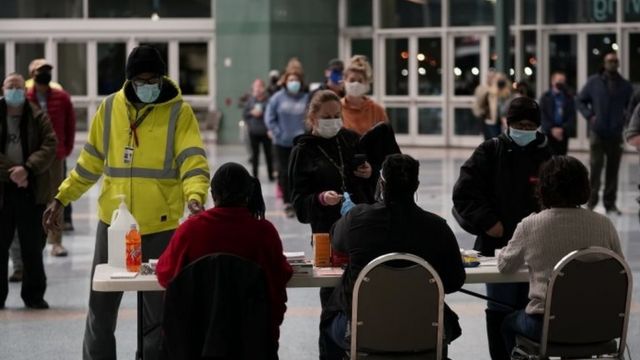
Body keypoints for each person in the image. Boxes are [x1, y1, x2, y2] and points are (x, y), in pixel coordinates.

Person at [42, 45, 210, 360]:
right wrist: (62, 197)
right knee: (100, 309)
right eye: (141, 80)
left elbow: (193, 161)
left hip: (162, 227)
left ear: (162, 78)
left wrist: (195, 195)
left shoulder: (178, 112)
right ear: (129, 80)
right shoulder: (108, 110)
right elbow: (88, 165)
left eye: (153, 79)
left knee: (158, 314)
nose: (148, 86)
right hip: (115, 228)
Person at [322, 154, 466, 359]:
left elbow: (336, 242)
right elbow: (454, 280)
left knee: (330, 316)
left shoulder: (357, 219)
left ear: (381, 183)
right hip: (423, 328)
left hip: (363, 329)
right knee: (440, 324)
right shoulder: (437, 228)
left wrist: (349, 216)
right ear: (416, 185)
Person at [452, 97, 552, 360]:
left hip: (538, 249)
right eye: (519, 123)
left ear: (538, 127)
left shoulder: (547, 155)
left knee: (534, 308)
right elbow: (464, 194)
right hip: (498, 248)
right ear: (509, 124)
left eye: (531, 124)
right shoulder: (489, 151)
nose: (525, 129)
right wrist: (488, 222)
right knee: (501, 307)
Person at [156, 162, 292, 350]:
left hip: (195, 344)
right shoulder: (264, 233)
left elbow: (165, 275)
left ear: (213, 195)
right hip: (253, 343)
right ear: (249, 194)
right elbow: (281, 276)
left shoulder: (190, 230)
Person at [498, 155, 623, 354]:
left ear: (543, 188)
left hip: (548, 325)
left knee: (506, 323)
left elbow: (505, 267)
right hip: (599, 324)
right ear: (584, 186)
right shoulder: (604, 224)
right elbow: (619, 272)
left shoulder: (531, 225)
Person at [288, 90, 373, 359]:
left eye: (337, 116)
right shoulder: (302, 150)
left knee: (365, 301)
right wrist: (321, 199)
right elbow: (300, 206)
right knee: (334, 302)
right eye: (326, 117)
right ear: (312, 117)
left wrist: (368, 174)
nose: (333, 121)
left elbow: (374, 190)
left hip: (362, 232)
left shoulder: (351, 141)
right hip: (327, 236)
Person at [1, 73, 57, 309]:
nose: (15, 90)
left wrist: (27, 169)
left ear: (25, 90)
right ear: (3, 89)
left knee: (32, 247)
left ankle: (34, 296)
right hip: (2, 190)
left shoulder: (37, 115)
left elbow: (50, 144)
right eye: (10, 86)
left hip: (30, 189)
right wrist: (12, 173)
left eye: (19, 87)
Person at [26, 58, 76, 257]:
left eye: (47, 70)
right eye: (41, 71)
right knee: (34, 198)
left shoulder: (62, 97)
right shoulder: (26, 97)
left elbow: (70, 124)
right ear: (32, 74)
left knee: (57, 197)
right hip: (32, 156)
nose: (45, 74)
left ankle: (56, 242)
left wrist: (66, 148)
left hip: (56, 156)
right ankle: (34, 240)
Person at [577, 51, 633, 214]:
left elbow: (631, 106)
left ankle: (610, 203)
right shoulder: (594, 82)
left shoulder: (625, 85)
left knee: (613, 169)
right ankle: (591, 202)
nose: (612, 64)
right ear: (604, 62)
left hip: (615, 133)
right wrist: (590, 116)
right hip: (598, 132)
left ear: (618, 63)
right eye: (609, 61)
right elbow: (580, 100)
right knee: (596, 167)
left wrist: (624, 119)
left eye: (615, 61)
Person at [265, 69, 309, 218]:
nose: (293, 83)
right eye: (290, 80)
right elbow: (269, 117)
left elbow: (310, 117)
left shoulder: (306, 98)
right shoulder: (277, 98)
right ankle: (287, 202)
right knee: (284, 173)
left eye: (296, 80)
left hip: (300, 143)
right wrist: (278, 133)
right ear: (285, 82)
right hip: (281, 143)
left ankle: (298, 201)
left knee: (299, 173)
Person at [341, 55, 388, 136]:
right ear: (344, 81)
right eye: (352, 80)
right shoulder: (337, 109)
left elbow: (386, 140)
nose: (356, 84)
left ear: (366, 83)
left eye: (360, 80)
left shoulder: (377, 110)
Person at [243, 79, 274, 181]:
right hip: (254, 132)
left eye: (259, 86)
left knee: (269, 155)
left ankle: (270, 175)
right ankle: (254, 176)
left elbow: (272, 114)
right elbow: (245, 114)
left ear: (263, 88)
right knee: (255, 155)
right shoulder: (250, 101)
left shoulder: (269, 100)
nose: (257, 88)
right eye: (255, 86)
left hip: (266, 132)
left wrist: (263, 112)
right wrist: (252, 113)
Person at [539, 71, 576, 155]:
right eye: (559, 80)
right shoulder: (545, 97)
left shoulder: (569, 97)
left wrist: (563, 129)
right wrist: (552, 129)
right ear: (552, 81)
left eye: (563, 81)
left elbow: (571, 116)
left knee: (561, 159)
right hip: (549, 133)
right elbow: (542, 115)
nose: (561, 83)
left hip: (563, 133)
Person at [473, 70, 512, 140]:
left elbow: (506, 95)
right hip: (488, 119)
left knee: (497, 140)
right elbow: (479, 102)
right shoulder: (484, 89)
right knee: (491, 140)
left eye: (492, 77)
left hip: (500, 120)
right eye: (489, 77)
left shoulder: (501, 89)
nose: (490, 79)